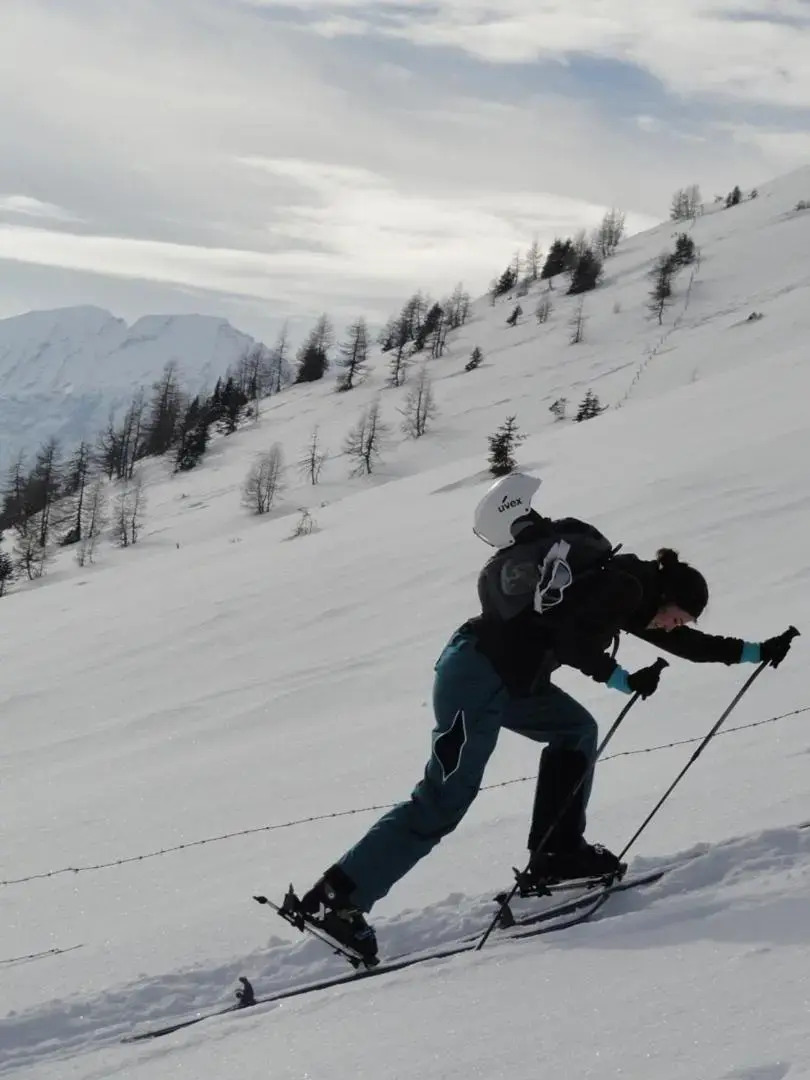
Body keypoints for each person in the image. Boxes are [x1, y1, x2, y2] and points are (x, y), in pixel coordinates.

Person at [298, 473, 798, 961]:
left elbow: (685, 646)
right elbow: (570, 641)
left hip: (509, 679)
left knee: (575, 730)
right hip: (477, 673)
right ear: (671, 598)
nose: (673, 626)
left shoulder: (627, 589)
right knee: (445, 798)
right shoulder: (624, 587)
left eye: (679, 623)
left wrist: (756, 650)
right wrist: (621, 678)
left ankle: (556, 854)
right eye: (679, 617)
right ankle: (336, 900)